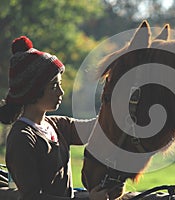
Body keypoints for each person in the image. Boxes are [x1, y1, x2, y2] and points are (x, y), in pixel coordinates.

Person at [0, 36, 108, 200]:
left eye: (60, 84)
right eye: (53, 86)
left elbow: (95, 128)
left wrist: (115, 101)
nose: (61, 92)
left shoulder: (56, 125)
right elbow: (32, 197)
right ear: (34, 92)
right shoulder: (22, 138)